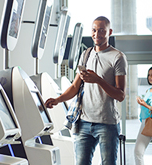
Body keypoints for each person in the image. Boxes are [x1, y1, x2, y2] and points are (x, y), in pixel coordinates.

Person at [45, 16, 127, 165]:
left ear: (110, 32)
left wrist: (99, 80)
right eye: (94, 30)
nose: (97, 34)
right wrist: (58, 99)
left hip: (107, 124)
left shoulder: (118, 57)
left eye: (102, 30)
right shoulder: (86, 54)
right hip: (83, 123)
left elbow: (121, 95)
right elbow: (75, 87)